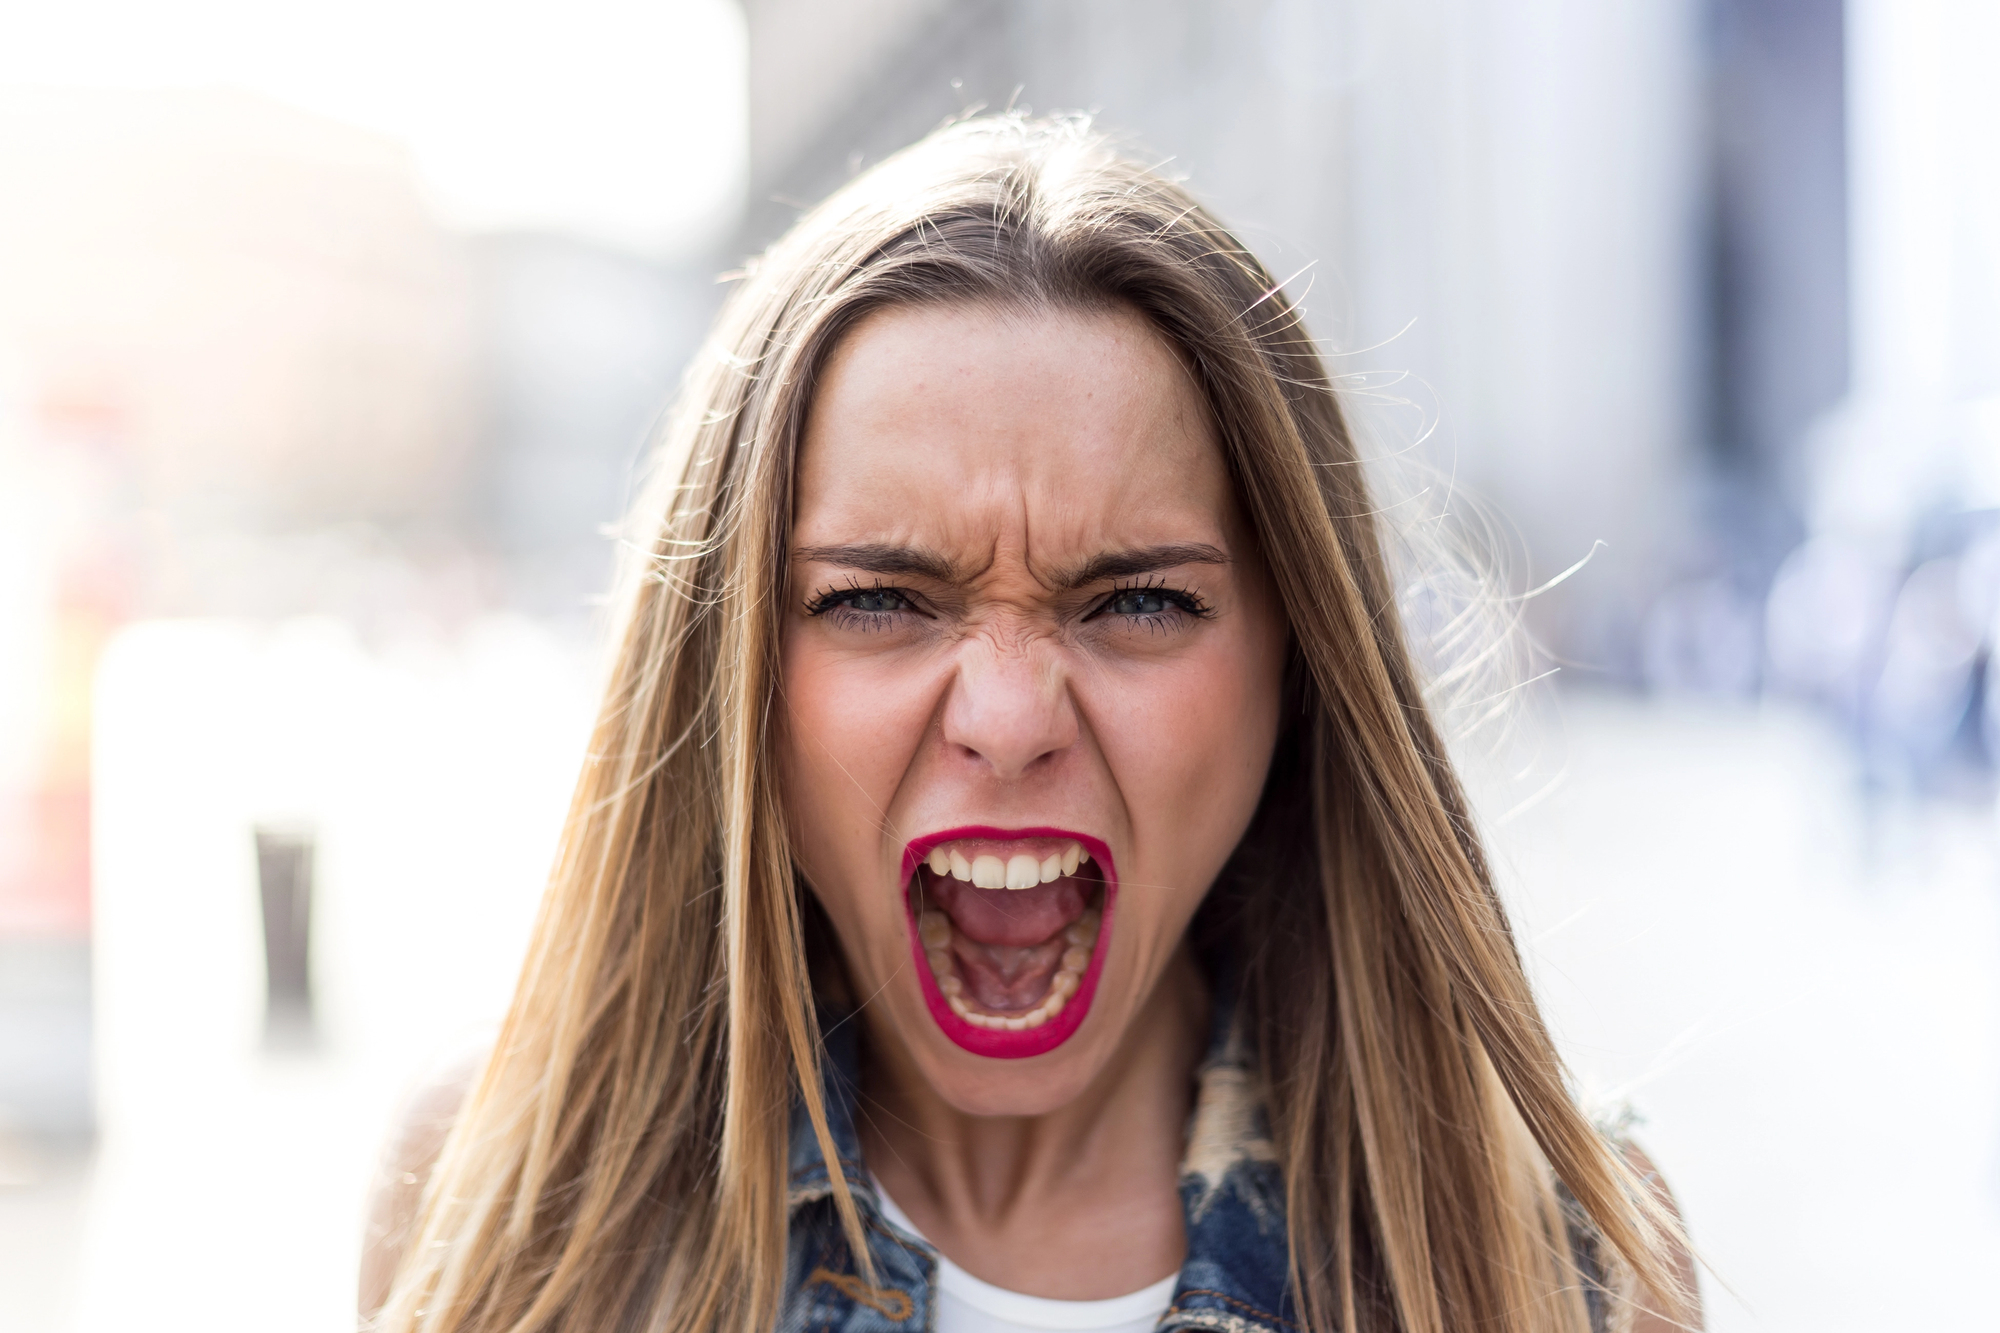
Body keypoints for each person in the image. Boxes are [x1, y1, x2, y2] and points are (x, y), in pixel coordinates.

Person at [359, 115, 1699, 1333]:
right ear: (733, 678)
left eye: (1139, 601)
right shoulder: (499, 1203)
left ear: (1296, 660)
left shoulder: (1571, 1266)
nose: (1007, 719)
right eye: (879, 598)